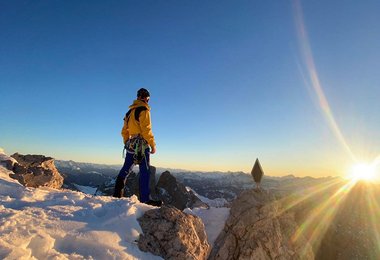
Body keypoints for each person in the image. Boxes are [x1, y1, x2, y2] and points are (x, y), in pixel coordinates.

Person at [113, 88, 158, 205]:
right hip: (142, 146)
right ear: (147, 98)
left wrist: (127, 142)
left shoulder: (129, 113)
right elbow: (146, 130)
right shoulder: (144, 110)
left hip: (131, 145)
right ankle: (145, 199)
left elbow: (124, 131)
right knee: (145, 171)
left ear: (138, 97)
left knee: (126, 169)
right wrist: (153, 145)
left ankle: (117, 195)